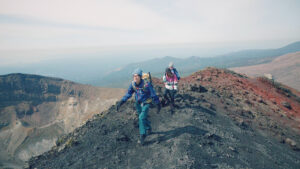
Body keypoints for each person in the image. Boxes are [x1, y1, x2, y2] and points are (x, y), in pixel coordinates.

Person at [116, 68, 161, 145]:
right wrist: (122, 101)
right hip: (138, 103)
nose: (135, 77)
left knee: (141, 118)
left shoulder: (147, 84)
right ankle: (148, 128)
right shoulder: (133, 84)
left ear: (140, 77)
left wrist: (158, 104)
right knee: (142, 117)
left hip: (146, 103)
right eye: (134, 76)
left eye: (137, 76)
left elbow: (153, 94)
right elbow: (128, 94)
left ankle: (142, 135)